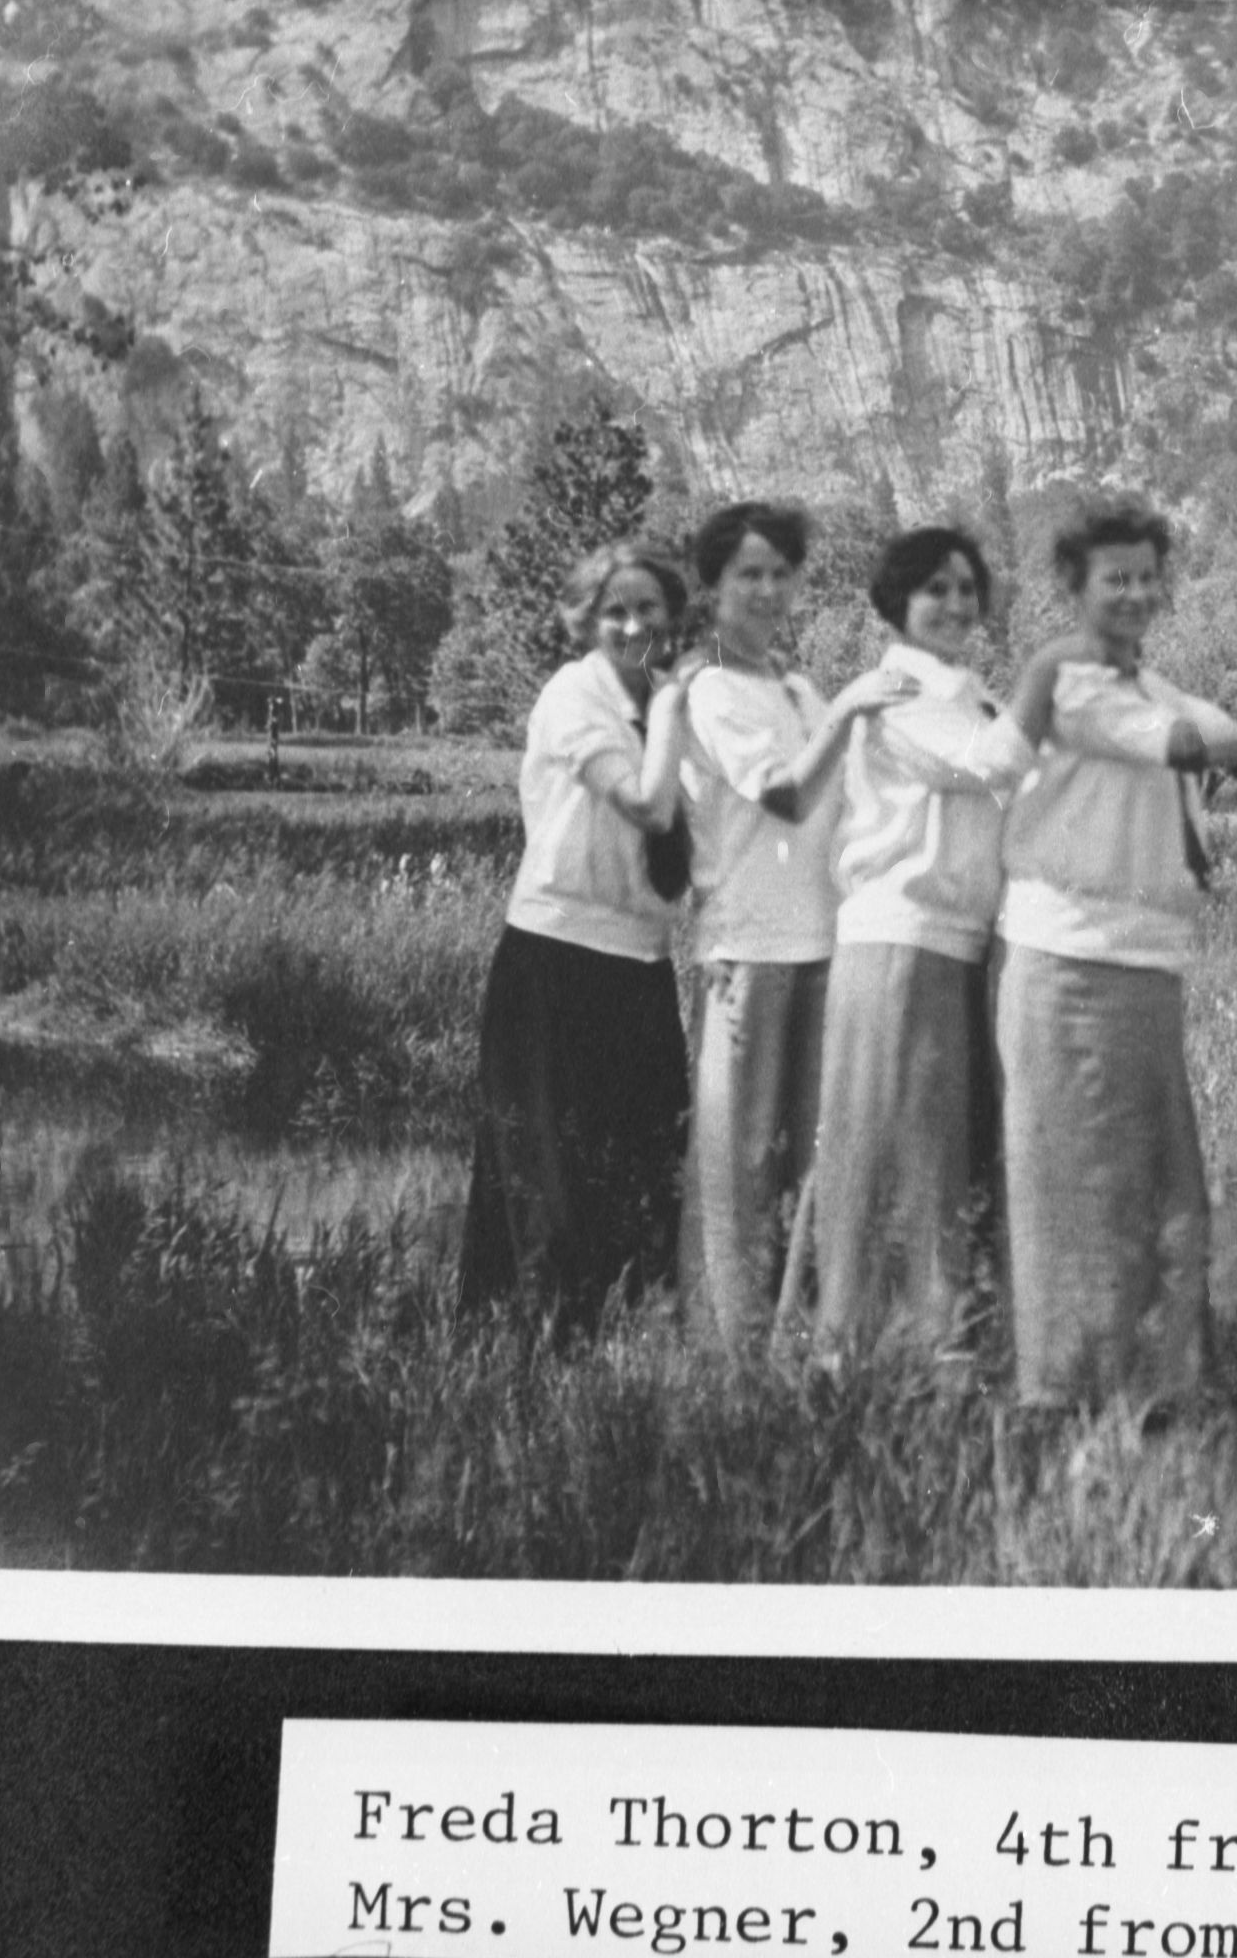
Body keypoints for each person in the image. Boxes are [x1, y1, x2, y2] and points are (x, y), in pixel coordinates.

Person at [994, 497, 1237, 1415]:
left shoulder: (1153, 685)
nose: (1132, 592)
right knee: (1077, 1181)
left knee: (1154, 1180)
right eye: (1112, 578)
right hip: (1067, 959)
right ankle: (1067, 1389)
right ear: (1075, 589)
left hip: (1145, 963)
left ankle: (1152, 1386)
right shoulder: (1071, 682)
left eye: (1144, 576)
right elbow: (1190, 749)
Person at [806, 527, 1070, 1375]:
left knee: (939, 1156)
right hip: (897, 935)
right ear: (896, 603)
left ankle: (938, 1348)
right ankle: (863, 1354)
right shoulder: (894, 688)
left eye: (966, 589)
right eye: (935, 591)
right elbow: (981, 769)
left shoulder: (971, 690)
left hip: (955, 945)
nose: (956, 605)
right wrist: (1048, 685)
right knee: (891, 1148)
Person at [676, 500, 913, 1349]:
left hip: (825, 943)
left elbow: (848, 799)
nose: (768, 590)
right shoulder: (708, 691)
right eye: (748, 574)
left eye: (781, 573)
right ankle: (722, 1346)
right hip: (747, 948)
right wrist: (852, 707)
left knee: (810, 1163)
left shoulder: (801, 688)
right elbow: (785, 795)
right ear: (712, 586)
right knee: (738, 1162)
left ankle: (788, 1337)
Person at [455, 539, 697, 1338]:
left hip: (641, 970)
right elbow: (648, 807)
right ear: (587, 621)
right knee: (545, 1200)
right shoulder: (571, 695)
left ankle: (611, 1392)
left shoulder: (664, 701)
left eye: (646, 608)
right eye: (614, 611)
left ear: (670, 616)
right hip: (553, 970)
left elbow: (706, 835)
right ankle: (518, 1382)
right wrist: (671, 715)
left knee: (641, 1189)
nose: (632, 624)